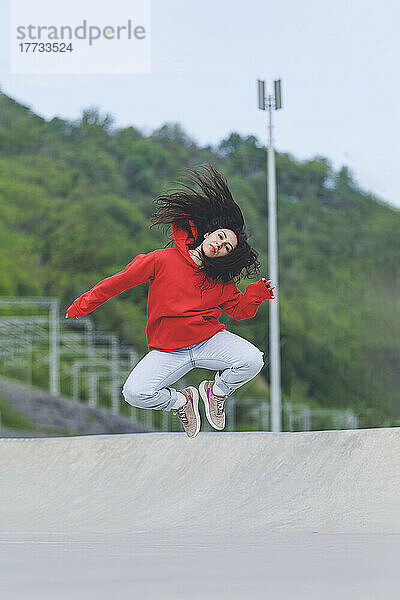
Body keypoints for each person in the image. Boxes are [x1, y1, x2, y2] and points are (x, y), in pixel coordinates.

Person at [66, 164, 275, 438]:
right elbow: (118, 282)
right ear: (208, 233)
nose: (221, 245)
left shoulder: (222, 281)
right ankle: (181, 402)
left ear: (226, 257)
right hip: (167, 349)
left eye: (227, 248)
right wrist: (83, 304)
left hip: (207, 341)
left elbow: (239, 311)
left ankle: (216, 391)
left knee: (252, 360)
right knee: (135, 393)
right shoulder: (161, 260)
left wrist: (256, 294)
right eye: (221, 237)